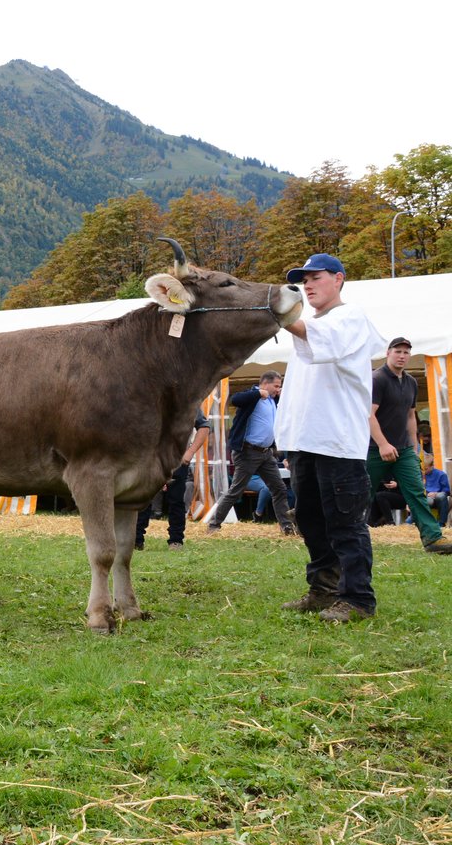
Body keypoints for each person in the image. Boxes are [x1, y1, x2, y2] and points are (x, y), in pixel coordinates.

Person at [275, 253, 392, 623]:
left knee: (345, 523)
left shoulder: (350, 317)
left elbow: (318, 337)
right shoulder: (314, 325)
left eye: (316, 277)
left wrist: (276, 310)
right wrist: (289, 444)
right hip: (308, 442)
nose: (307, 285)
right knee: (310, 519)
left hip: (339, 443)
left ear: (338, 279)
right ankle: (323, 590)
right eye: (303, 280)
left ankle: (358, 599)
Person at [367, 337, 452, 553]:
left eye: (406, 352)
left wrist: (415, 449)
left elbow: (410, 416)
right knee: (362, 494)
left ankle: (433, 539)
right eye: (398, 351)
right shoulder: (377, 379)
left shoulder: (411, 382)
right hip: (374, 449)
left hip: (403, 450)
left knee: (416, 492)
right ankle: (342, 535)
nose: (402, 355)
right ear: (388, 353)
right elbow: (368, 415)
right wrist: (383, 444)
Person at [207, 371, 295, 534]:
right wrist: (257, 393)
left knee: (279, 488)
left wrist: (281, 395)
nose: (278, 389)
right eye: (276, 386)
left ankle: (286, 526)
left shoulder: (272, 400)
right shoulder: (252, 395)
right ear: (265, 384)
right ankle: (214, 524)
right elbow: (235, 400)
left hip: (266, 453)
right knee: (236, 490)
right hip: (248, 452)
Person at [136, 410, 210, 550]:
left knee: (176, 500)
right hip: (150, 459)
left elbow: (204, 427)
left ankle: (176, 541)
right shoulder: (149, 396)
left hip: (176, 460)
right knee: (144, 499)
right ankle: (136, 540)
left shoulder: (188, 400)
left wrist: (189, 452)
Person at [424, 455, 450, 526]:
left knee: (441, 496)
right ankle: (424, 522)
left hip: (439, 498)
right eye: (422, 469)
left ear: (432, 466)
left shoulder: (441, 474)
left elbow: (447, 491)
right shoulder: (421, 475)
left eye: (426, 469)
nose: (424, 471)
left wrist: (436, 493)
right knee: (427, 500)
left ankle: (441, 523)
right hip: (427, 498)